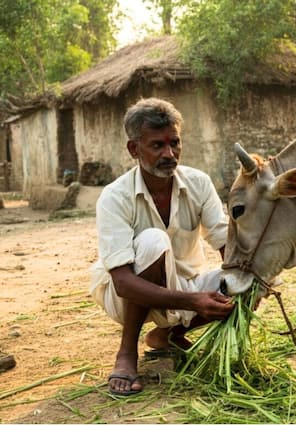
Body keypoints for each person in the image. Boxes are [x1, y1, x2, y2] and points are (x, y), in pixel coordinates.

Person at [90, 98, 234, 396]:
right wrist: (193, 302)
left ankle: (166, 335)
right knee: (154, 240)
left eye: (175, 143)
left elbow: (224, 241)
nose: (170, 154)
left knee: (253, 275)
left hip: (183, 287)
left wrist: (247, 280)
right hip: (125, 295)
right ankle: (127, 352)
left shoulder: (199, 183)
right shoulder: (115, 196)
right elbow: (123, 283)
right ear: (134, 149)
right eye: (157, 146)